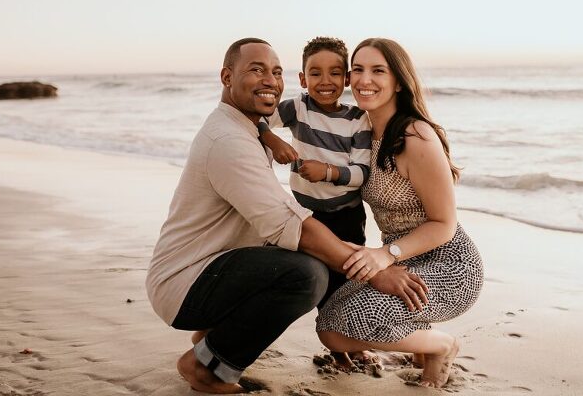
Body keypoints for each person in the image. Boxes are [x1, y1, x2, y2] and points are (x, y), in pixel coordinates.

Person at [145, 38, 428, 394]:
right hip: (184, 283)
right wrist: (377, 272)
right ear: (226, 77)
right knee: (305, 276)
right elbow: (294, 227)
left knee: (308, 263)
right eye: (257, 70)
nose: (270, 80)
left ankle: (212, 340)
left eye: (276, 72)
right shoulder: (229, 141)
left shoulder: (242, 128)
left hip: (205, 267)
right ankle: (207, 366)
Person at [316, 38, 484, 388]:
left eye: (378, 70)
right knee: (328, 325)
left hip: (448, 262)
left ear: (398, 81)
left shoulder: (415, 136)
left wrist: (385, 254)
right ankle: (418, 343)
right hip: (400, 261)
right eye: (358, 70)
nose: (365, 80)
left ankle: (441, 346)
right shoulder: (358, 132)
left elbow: (445, 224)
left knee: (343, 331)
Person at [258, 36, 372, 367]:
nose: (326, 82)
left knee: (349, 280)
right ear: (303, 79)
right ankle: (339, 352)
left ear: (347, 79)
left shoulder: (357, 119)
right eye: (316, 73)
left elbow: (361, 172)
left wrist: (329, 172)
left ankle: (354, 339)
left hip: (348, 215)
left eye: (335, 73)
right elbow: (258, 116)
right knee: (321, 283)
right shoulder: (297, 108)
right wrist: (271, 140)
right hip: (307, 215)